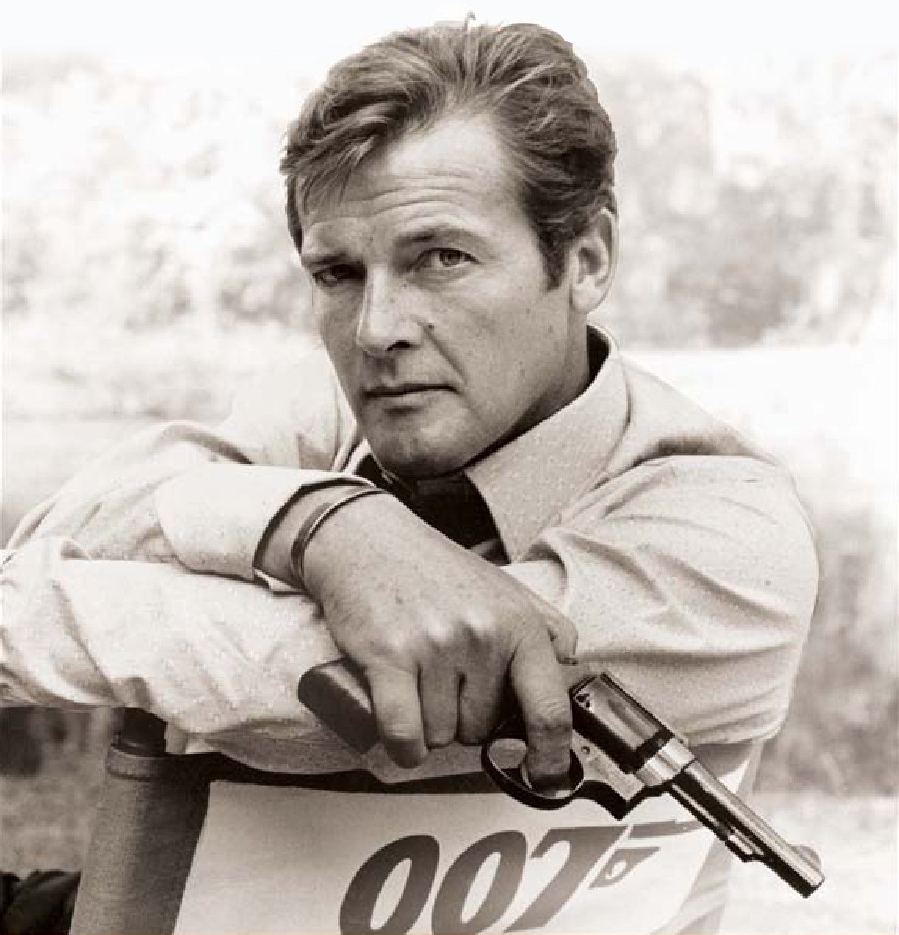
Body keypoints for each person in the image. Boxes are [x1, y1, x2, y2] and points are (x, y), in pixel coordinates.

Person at [1, 20, 818, 932]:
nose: (376, 329)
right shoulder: (330, 407)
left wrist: (242, 540)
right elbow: (57, 536)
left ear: (585, 260)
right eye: (338, 273)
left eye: (443, 258)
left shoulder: (730, 533)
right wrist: (319, 524)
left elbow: (300, 699)